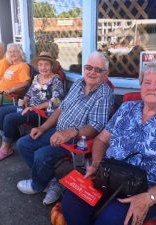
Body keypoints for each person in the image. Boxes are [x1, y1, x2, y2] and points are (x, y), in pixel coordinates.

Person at [62, 60, 156, 225]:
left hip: (146, 189)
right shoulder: (127, 108)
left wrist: (150, 196)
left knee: (111, 219)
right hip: (108, 176)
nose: (151, 87)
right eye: (147, 82)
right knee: (71, 202)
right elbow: (101, 139)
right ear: (141, 85)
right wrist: (96, 165)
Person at [15, 51, 114, 205]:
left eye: (98, 70)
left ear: (105, 74)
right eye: (89, 68)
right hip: (57, 131)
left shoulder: (104, 94)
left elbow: (96, 126)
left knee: (42, 155)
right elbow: (61, 108)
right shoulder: (78, 83)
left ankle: (38, 185)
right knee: (23, 144)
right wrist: (43, 128)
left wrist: (71, 132)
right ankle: (51, 181)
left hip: (75, 142)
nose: (92, 72)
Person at [0, 51, 65, 162]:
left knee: (10, 118)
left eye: (46, 64)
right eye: (40, 64)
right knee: (2, 111)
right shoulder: (37, 77)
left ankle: (6, 149)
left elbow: (58, 100)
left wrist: (36, 107)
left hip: (42, 113)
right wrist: (24, 99)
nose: (43, 67)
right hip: (29, 107)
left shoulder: (56, 79)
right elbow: (30, 92)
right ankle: (5, 142)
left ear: (52, 66)